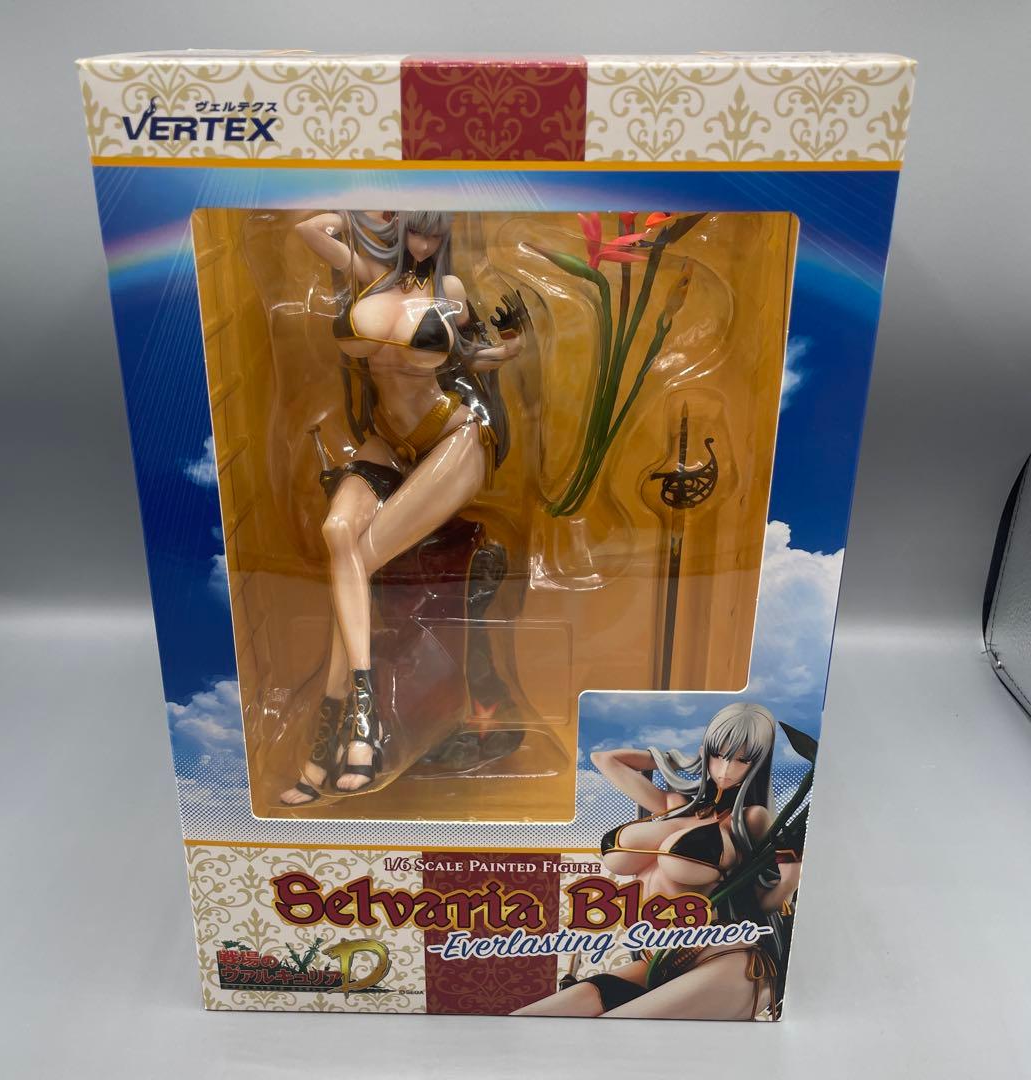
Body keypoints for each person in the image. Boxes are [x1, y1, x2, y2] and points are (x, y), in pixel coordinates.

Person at [280, 211, 521, 801]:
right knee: (338, 532)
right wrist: (355, 214)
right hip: (387, 440)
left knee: (359, 559)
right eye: (415, 229)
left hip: (452, 437)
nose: (423, 242)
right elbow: (307, 230)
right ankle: (358, 720)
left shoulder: (450, 289)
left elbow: (473, 357)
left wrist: (512, 347)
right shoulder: (369, 274)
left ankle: (336, 732)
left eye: (434, 233)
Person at [515, 703, 801, 1019]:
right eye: (718, 754)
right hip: (660, 957)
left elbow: (762, 900)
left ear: (758, 763)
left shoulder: (750, 818)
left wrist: (790, 880)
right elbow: (604, 759)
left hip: (725, 956)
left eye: (741, 759)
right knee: (529, 1020)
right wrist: (674, 760)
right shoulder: (672, 804)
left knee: (609, 1034)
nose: (725, 768)